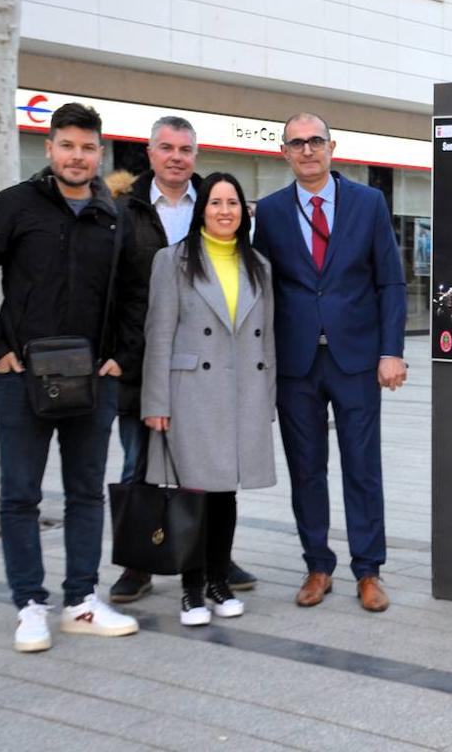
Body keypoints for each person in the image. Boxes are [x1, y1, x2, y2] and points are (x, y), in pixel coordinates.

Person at [0, 102, 142, 652]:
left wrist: (121, 359)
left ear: (99, 153)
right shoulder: (16, 204)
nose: (77, 156)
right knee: (20, 496)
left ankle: (81, 601)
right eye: (68, 145)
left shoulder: (114, 215)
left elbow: (135, 294)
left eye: (87, 148)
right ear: (50, 148)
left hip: (95, 378)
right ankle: (30, 604)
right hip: (21, 379)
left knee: (86, 494)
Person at [253, 112, 407, 612]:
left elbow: (390, 281)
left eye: (315, 141)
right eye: (296, 143)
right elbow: (261, 291)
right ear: (284, 151)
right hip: (295, 363)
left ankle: (369, 570)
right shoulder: (272, 213)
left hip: (357, 360)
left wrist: (391, 352)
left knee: (363, 467)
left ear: (332, 146)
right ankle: (317, 565)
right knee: (306, 469)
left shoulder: (368, 203)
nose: (307, 150)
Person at [108, 116, 257, 604]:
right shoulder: (122, 208)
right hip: (140, 358)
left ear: (196, 155)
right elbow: (106, 287)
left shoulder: (213, 202)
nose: (176, 157)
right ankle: (141, 560)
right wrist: (112, 352)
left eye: (186, 149)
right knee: (143, 466)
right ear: (149, 154)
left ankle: (213, 560)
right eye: (166, 147)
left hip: (205, 370)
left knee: (210, 470)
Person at [140, 173, 277, 626]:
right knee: (193, 494)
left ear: (243, 211)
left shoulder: (258, 264)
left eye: (232, 203)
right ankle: (191, 589)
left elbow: (267, 340)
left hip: (242, 394)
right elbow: (158, 335)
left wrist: (267, 398)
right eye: (216, 202)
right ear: (203, 210)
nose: (224, 210)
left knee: (225, 495)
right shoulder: (173, 260)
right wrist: (156, 403)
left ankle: (220, 581)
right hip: (191, 394)